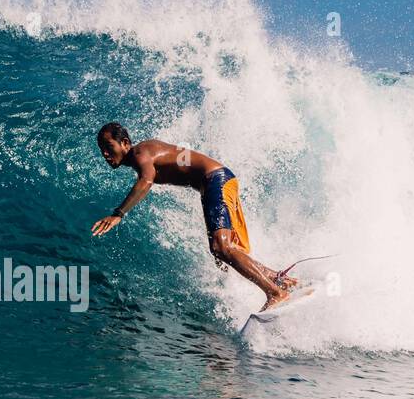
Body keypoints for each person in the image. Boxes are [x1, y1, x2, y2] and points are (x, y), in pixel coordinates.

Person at [91, 122, 298, 310]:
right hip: (214, 182)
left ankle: (275, 293)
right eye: (102, 151)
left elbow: (146, 180)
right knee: (220, 251)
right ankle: (278, 279)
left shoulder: (139, 153)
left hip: (215, 180)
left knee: (221, 247)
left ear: (124, 142)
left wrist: (118, 214)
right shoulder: (144, 152)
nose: (106, 155)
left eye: (109, 148)